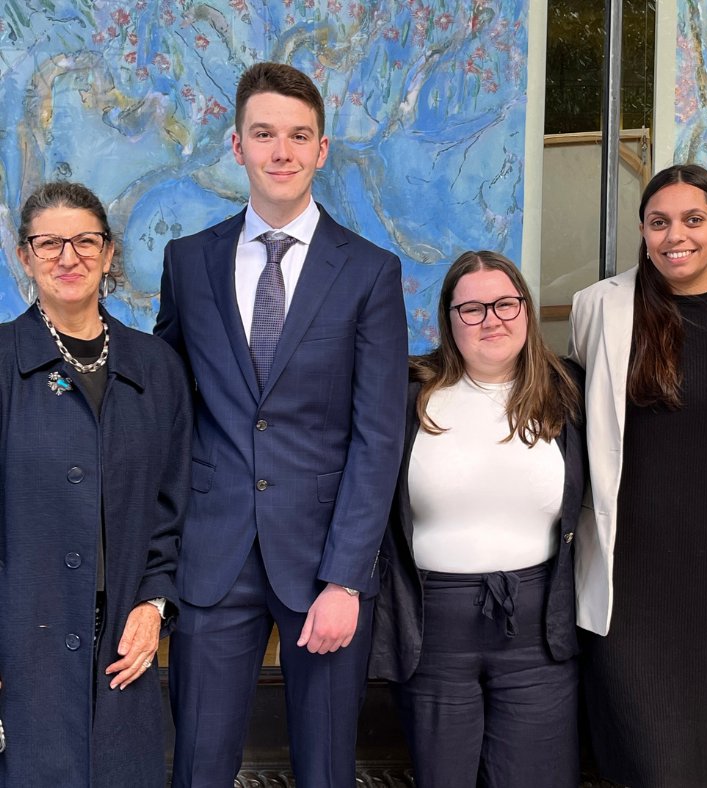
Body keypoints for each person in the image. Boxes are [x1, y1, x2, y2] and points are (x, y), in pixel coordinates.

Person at [154, 61, 407, 787]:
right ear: (237, 145)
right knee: (199, 766)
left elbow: (377, 435)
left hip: (324, 563)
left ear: (322, 149)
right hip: (213, 559)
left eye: (299, 136)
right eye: (265, 134)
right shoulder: (188, 261)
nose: (282, 151)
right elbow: (169, 406)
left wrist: (347, 579)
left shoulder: (369, 272)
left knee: (324, 769)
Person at [568, 163, 707, 787]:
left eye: (693, 220)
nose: (676, 236)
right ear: (642, 232)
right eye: (659, 222)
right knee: (647, 764)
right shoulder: (600, 309)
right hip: (627, 583)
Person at [369, 250, 585, 787]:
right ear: (448, 320)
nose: (492, 319)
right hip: (431, 633)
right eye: (472, 309)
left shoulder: (567, 393)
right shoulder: (408, 394)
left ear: (527, 311)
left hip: (540, 633)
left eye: (506, 304)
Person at [0, 182, 191, 787]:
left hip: (122, 645)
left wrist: (154, 606)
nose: (68, 256)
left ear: (109, 254)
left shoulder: (155, 366)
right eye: (49, 243)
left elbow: (175, 504)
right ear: (25, 257)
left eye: (85, 241)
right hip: (23, 640)